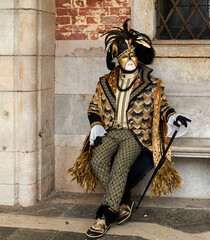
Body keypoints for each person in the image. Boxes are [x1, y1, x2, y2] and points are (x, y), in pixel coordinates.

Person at [67, 19, 191, 239]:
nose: (129, 59)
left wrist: (173, 116)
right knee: (97, 161)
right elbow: (94, 106)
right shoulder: (105, 82)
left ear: (139, 57)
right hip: (110, 132)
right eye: (124, 56)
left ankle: (105, 216)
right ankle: (124, 201)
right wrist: (96, 124)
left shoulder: (151, 83)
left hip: (136, 134)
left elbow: (162, 106)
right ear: (117, 58)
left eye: (132, 55)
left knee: (120, 165)